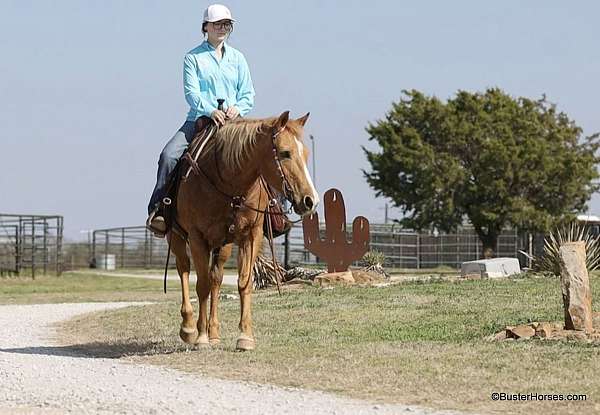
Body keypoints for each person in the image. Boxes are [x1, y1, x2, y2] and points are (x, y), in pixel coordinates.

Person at [146, 4, 255, 236]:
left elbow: (248, 94)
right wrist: (210, 110)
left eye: (227, 24)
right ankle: (159, 210)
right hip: (200, 121)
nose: (222, 28)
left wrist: (238, 108)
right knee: (168, 155)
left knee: (267, 148)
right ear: (205, 27)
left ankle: (277, 212)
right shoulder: (192, 58)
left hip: (234, 124)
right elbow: (192, 94)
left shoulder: (239, 58)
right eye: (217, 24)